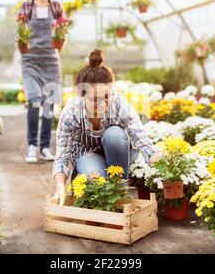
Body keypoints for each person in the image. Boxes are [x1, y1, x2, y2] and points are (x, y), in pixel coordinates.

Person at [52, 49, 162, 204]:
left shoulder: (118, 103)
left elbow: (140, 136)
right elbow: (62, 156)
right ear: (81, 96)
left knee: (115, 134)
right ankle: (88, 176)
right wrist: (60, 187)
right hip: (87, 154)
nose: (103, 104)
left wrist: (158, 158)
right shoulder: (71, 112)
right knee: (98, 182)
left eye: (106, 96)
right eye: (95, 99)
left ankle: (120, 189)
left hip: (118, 153)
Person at [17, 0, 66, 163]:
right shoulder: (26, 7)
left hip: (52, 62)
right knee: (35, 100)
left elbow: (62, 34)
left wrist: (61, 40)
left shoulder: (57, 7)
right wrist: (22, 45)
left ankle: (45, 147)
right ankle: (31, 145)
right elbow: (20, 34)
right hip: (31, 61)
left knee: (48, 105)